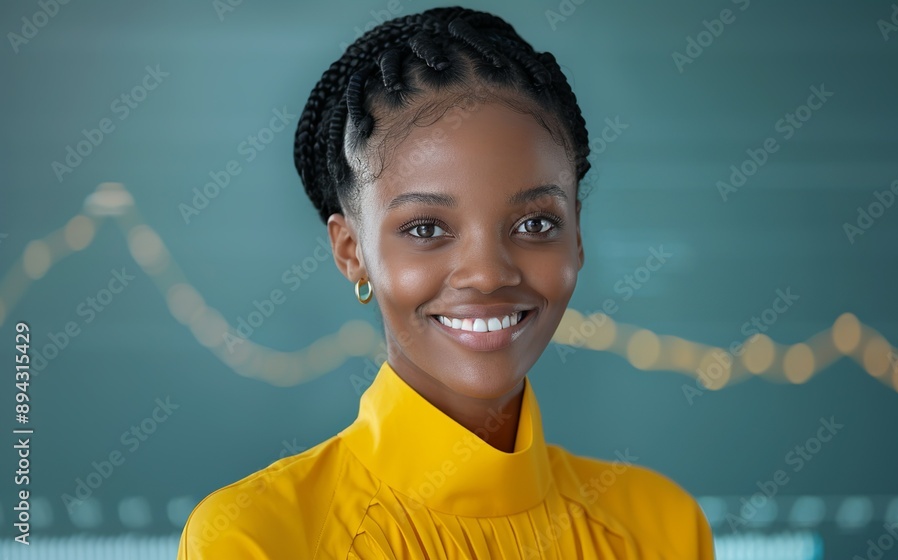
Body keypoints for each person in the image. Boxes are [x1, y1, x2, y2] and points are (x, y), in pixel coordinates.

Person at [177, 6, 714, 558]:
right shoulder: (257, 537)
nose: (487, 275)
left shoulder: (660, 529)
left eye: (535, 223)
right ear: (351, 251)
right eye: (426, 228)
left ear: (577, 235)